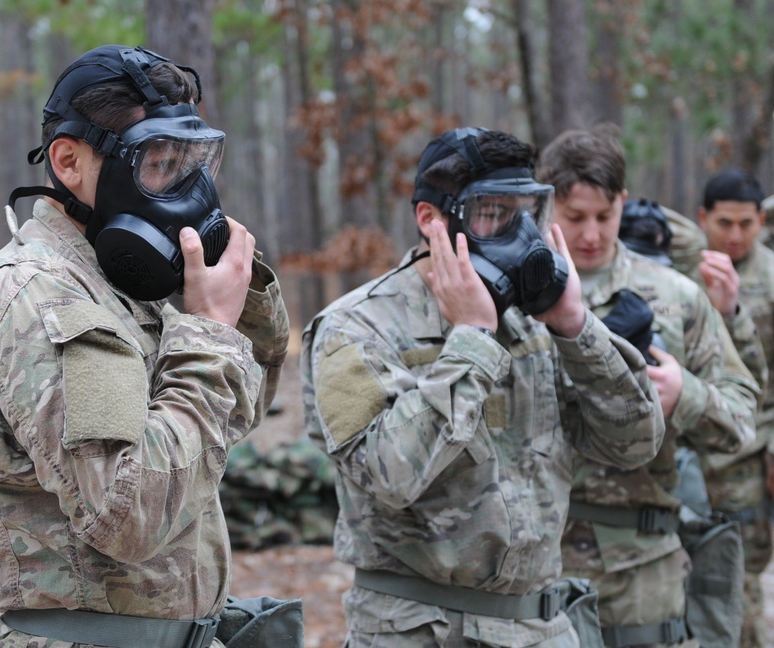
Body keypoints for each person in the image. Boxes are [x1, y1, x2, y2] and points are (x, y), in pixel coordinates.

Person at [0, 44, 291, 648]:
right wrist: (207, 333)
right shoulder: (36, 295)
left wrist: (239, 309)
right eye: (159, 163)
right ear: (69, 162)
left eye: (195, 163)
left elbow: (225, 424)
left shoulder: (119, 287)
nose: (188, 188)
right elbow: (127, 516)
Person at [301, 126, 665, 647]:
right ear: (431, 220)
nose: (514, 236)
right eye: (491, 215)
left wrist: (575, 326)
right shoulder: (356, 327)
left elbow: (633, 444)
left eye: (524, 213)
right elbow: (390, 475)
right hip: (419, 629)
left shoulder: (535, 320)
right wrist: (472, 337)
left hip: (540, 626)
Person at [536, 125, 760, 648]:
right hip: (533, 567)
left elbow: (743, 417)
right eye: (575, 218)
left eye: (604, 216)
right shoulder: (508, 296)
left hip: (641, 569)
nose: (591, 234)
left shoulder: (675, 296)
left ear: (623, 204)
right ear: (546, 207)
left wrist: (687, 395)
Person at [694, 167, 774, 648]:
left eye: (748, 223)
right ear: (703, 218)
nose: (737, 235)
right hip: (690, 452)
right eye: (725, 223)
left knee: (740, 585)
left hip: (751, 452)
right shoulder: (681, 272)